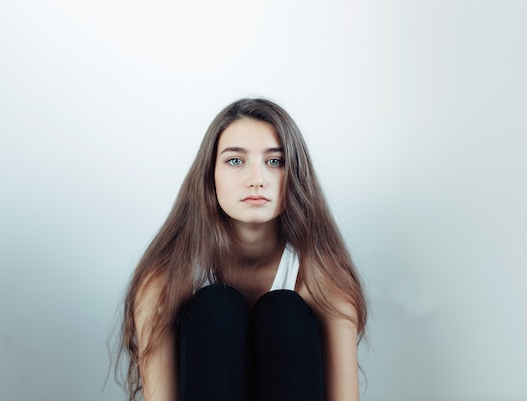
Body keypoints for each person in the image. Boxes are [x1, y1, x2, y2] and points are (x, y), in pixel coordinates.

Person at [118, 98, 367, 401]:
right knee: (215, 308)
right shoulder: (166, 279)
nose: (256, 180)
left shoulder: (322, 278)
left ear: (296, 175)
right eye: (235, 161)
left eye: (274, 161)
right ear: (210, 174)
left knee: (285, 314)